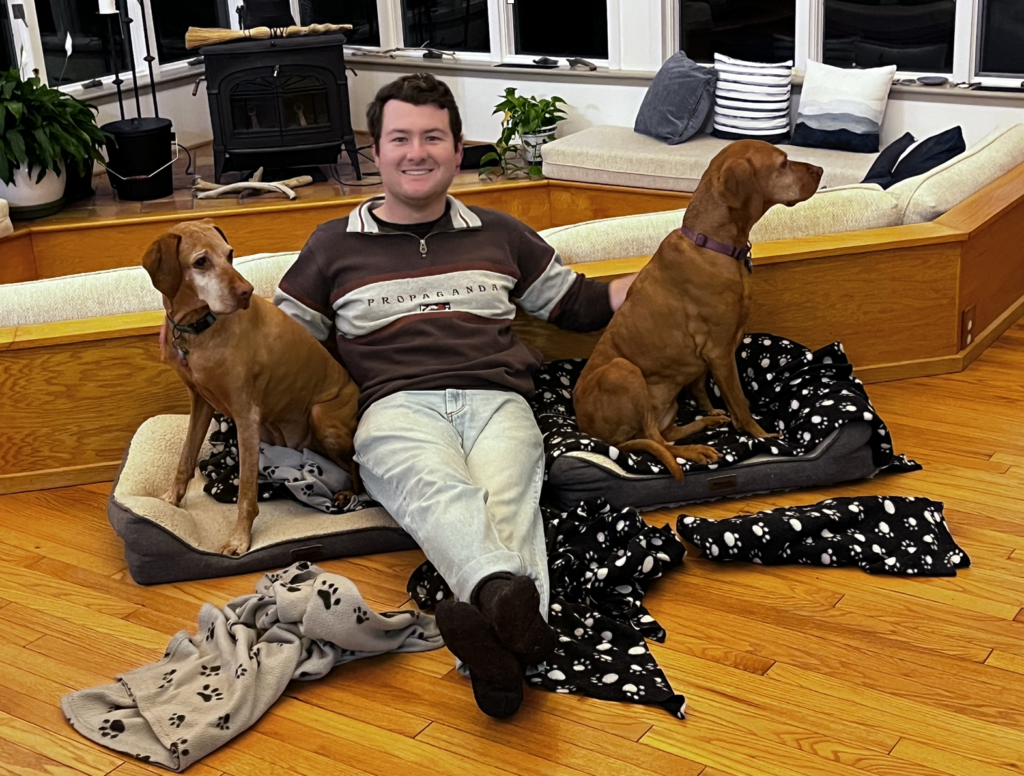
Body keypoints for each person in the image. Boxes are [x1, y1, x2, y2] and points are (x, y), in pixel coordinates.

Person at [274, 73, 635, 718]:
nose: (417, 152)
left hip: (497, 399)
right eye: (401, 138)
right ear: (376, 153)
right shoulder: (331, 246)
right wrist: (196, 321)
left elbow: (574, 303)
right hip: (393, 408)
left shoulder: (500, 232)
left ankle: (491, 647)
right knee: (439, 491)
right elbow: (274, 346)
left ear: (459, 148)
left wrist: (651, 282)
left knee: (504, 503)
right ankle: (511, 625)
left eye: (432, 137)